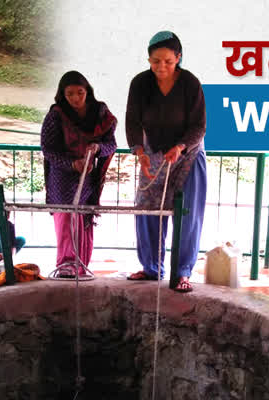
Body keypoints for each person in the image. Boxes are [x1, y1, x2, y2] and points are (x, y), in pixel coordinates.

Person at [125, 31, 207, 292]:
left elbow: (199, 125)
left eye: (168, 61)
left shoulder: (190, 84)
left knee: (186, 212)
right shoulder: (140, 83)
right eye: (155, 61)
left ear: (178, 58)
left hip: (188, 152)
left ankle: (182, 272)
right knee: (147, 207)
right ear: (148, 59)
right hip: (153, 151)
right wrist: (139, 152)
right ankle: (152, 268)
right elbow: (133, 121)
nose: (161, 67)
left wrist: (181, 147)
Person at [40, 71, 117, 277]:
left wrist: (98, 149)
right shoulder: (56, 115)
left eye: (80, 93)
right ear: (62, 95)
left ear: (88, 92)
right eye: (70, 94)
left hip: (88, 177)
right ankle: (66, 268)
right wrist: (73, 164)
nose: (75, 98)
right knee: (66, 219)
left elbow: (111, 144)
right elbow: (48, 150)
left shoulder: (100, 113)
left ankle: (81, 267)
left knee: (83, 220)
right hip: (63, 178)